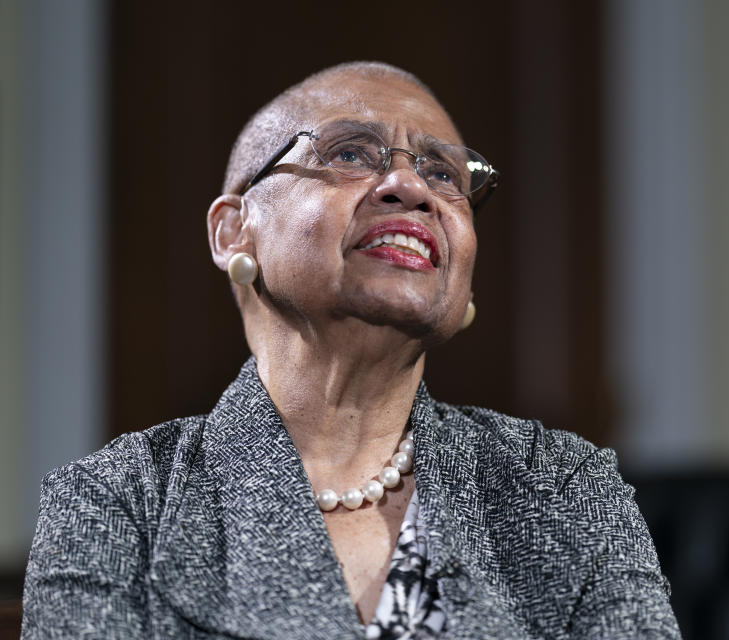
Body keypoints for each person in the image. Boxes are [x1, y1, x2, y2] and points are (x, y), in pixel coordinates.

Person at [21, 61, 680, 639]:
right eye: (349, 154)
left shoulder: (562, 486)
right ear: (232, 232)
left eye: (444, 173)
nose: (412, 188)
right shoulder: (117, 502)